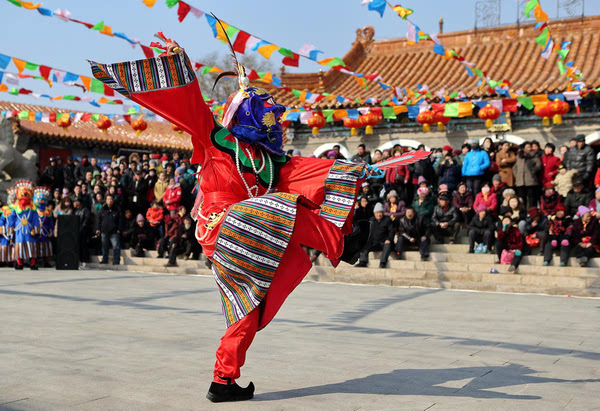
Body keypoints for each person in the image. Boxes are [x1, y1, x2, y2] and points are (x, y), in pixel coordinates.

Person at [89, 36, 430, 403]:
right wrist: (182, 66)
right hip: (222, 224)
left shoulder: (272, 163)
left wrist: (356, 170)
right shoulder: (214, 138)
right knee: (282, 206)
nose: (271, 121)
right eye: (263, 114)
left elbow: (314, 169)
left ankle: (223, 381)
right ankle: (342, 246)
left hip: (253, 232)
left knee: (249, 305)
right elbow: (192, 107)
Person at [9, 181, 40, 270]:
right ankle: (19, 263)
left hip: (30, 230)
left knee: (31, 246)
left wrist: (35, 228)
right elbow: (12, 218)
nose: (25, 194)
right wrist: (10, 228)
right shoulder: (15, 208)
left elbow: (35, 219)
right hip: (19, 230)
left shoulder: (33, 208)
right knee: (19, 246)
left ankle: (32, 263)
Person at [356, 203, 394, 268]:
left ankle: (383, 262)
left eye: (380, 213)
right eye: (377, 213)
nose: (378, 214)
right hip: (374, 243)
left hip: (383, 243)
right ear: (374, 213)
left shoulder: (387, 220)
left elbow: (391, 232)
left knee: (388, 245)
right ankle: (363, 261)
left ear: (382, 213)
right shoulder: (371, 220)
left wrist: (389, 239)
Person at [513, 142, 542, 209]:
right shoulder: (519, 156)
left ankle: (532, 211)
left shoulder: (534, 156)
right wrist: (516, 175)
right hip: (520, 181)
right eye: (527, 147)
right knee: (522, 199)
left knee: (532, 198)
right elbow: (515, 167)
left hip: (531, 181)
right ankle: (523, 212)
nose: (529, 148)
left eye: (530, 147)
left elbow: (538, 165)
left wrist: (533, 171)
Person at [96, 193, 123, 265]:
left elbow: (120, 220)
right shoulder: (103, 209)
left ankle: (116, 260)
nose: (110, 201)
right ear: (106, 200)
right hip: (104, 231)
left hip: (114, 231)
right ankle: (105, 259)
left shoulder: (117, 209)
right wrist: (98, 228)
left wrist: (119, 229)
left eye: (111, 199)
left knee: (116, 246)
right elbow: (99, 219)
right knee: (104, 246)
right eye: (108, 199)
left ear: (113, 200)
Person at [33, 187, 54, 267]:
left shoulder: (48, 211)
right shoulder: (33, 210)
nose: (41, 201)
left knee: (46, 247)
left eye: (43, 199)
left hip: (45, 232)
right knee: (36, 247)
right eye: (39, 199)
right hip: (36, 231)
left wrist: (51, 231)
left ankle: (46, 261)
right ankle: (35, 261)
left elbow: (50, 222)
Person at [74, 197, 92, 264]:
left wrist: (82, 228)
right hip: (78, 230)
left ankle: (85, 259)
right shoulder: (77, 211)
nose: (74, 203)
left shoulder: (85, 210)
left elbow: (87, 220)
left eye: (76, 202)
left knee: (83, 245)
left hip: (83, 231)